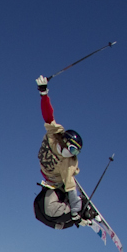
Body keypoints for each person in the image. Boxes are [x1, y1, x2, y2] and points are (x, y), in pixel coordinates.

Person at [33, 75, 87, 228]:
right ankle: (72, 213)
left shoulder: (68, 163)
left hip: (59, 184)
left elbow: (71, 188)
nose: (72, 154)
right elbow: (48, 115)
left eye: (76, 152)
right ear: (65, 141)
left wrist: (76, 211)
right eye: (72, 149)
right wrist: (43, 93)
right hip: (49, 180)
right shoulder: (54, 135)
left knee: (50, 210)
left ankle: (79, 209)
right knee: (39, 213)